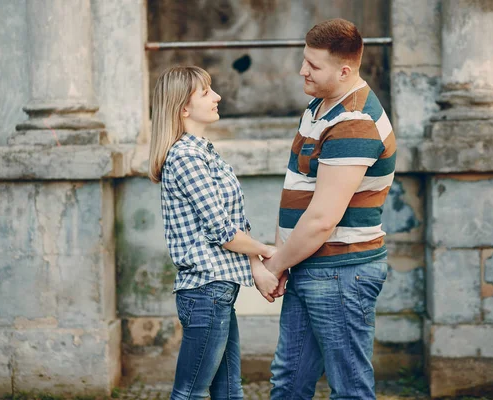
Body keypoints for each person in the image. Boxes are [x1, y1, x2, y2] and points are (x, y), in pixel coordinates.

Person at [263, 19, 396, 399]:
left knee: (349, 389)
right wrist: (285, 257)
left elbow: (322, 219)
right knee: (288, 383)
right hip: (312, 267)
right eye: (304, 60)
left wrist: (275, 266)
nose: (302, 70)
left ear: (344, 70)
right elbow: (297, 190)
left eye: (313, 66)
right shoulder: (321, 106)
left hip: (341, 273)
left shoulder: (353, 122)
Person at [148, 66, 279, 400]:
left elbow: (232, 223)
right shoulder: (186, 157)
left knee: (230, 391)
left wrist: (256, 266)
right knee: (189, 394)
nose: (217, 96)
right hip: (205, 292)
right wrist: (266, 252)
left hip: (217, 291)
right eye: (206, 92)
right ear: (183, 108)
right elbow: (222, 230)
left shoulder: (202, 152)